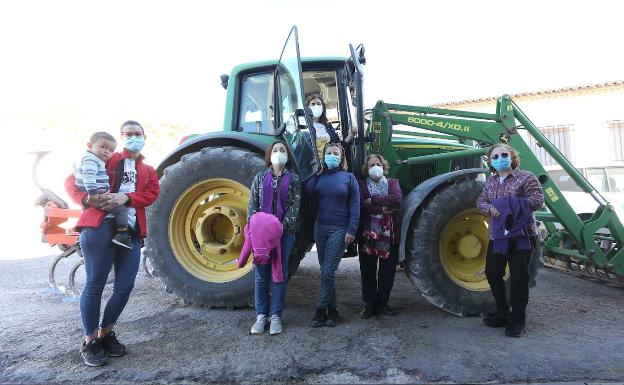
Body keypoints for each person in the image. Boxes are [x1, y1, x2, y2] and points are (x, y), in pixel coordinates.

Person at [65, 120, 160, 366]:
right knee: (95, 283)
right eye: (128, 134)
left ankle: (106, 333)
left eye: (137, 134)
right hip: (99, 228)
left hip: (129, 231)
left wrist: (125, 197)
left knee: (125, 284)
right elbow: (70, 181)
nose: (133, 137)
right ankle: (90, 341)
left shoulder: (148, 169)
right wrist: (88, 200)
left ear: (144, 137)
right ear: (121, 137)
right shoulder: (106, 156)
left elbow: (151, 194)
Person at [477, 143, 544, 337]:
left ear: (512, 157)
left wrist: (508, 206)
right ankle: (502, 311)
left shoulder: (526, 177)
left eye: (503, 155)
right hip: (498, 237)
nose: (499, 159)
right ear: (490, 161)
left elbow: (537, 200)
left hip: (521, 236)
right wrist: (490, 208)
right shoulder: (490, 182)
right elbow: (481, 201)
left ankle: (518, 319)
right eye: (494, 157)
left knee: (519, 277)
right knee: (492, 272)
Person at [243, 141, 301, 335]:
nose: (278, 153)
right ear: (269, 155)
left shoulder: (294, 179)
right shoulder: (260, 177)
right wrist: (256, 227)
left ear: (287, 155)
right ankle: (261, 315)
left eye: (282, 150)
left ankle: (275, 315)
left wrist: (280, 228)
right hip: (261, 236)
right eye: (275, 150)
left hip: (284, 235)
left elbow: (294, 206)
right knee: (261, 275)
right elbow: (252, 204)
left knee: (279, 273)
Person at [304, 142, 359, 327]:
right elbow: (309, 193)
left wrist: (352, 229)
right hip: (320, 227)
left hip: (340, 229)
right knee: (327, 272)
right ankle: (333, 309)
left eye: (336, 153)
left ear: (341, 157)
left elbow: (355, 205)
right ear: (324, 156)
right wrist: (315, 174)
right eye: (329, 153)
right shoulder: (319, 178)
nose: (332, 156)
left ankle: (320, 309)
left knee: (327, 270)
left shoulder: (349, 178)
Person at [357, 154, 402, 318]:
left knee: (387, 271)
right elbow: (361, 204)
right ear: (366, 169)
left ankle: (383, 303)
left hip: (390, 235)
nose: (375, 167)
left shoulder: (393, 183)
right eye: (371, 165)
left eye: (378, 164)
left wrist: (372, 201)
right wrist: (381, 209)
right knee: (367, 270)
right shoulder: (361, 185)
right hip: (367, 235)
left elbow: (397, 200)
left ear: (384, 167)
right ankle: (369, 304)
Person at [74, 132, 132, 249]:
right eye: (103, 147)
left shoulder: (91, 159)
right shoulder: (91, 160)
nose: (106, 151)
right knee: (122, 210)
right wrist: (92, 195)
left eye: (110, 150)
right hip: (98, 195)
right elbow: (89, 177)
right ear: (90, 146)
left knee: (85, 214)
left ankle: (79, 238)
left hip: (96, 194)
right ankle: (122, 235)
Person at [306, 94, 355, 161]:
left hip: (331, 163)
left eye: (318, 104)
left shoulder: (328, 127)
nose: (316, 106)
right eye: (313, 104)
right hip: (315, 167)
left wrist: (350, 136)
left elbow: (339, 146)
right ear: (308, 108)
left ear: (323, 108)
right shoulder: (305, 128)